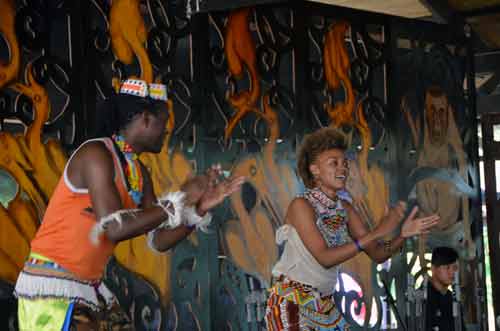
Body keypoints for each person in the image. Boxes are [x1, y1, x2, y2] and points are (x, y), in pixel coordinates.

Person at [14, 79, 245, 330]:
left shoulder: (137, 172)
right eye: (163, 121)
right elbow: (114, 226)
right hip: (53, 288)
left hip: (87, 288)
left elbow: (158, 240)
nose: (167, 130)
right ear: (145, 118)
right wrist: (178, 198)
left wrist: (199, 208)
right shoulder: (96, 155)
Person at [264, 127, 439, 330]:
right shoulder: (301, 206)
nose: (343, 169)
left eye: (345, 163)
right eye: (334, 163)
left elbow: (378, 254)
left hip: (324, 305)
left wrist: (402, 235)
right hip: (291, 304)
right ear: (314, 170)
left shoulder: (344, 209)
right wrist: (378, 231)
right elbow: (325, 258)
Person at [425, 246, 464, 331]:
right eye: (447, 267)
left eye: (455, 268)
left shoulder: (453, 298)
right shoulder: (422, 298)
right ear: (433, 268)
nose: (452, 272)